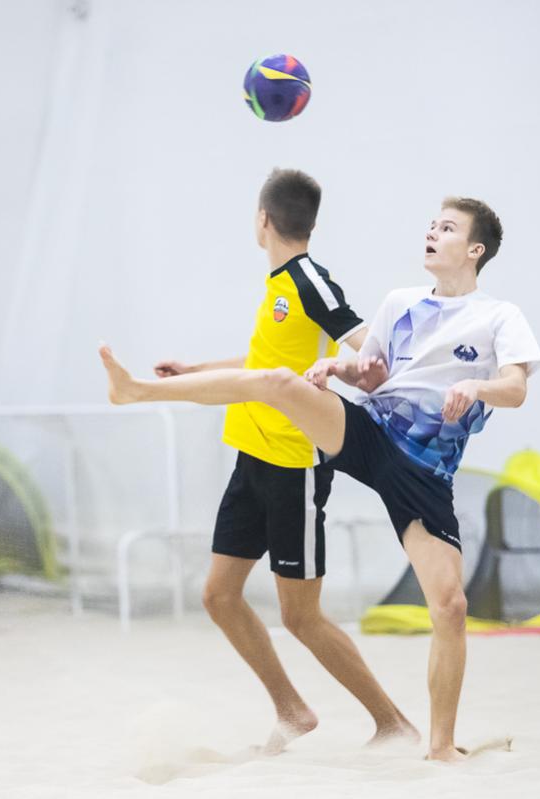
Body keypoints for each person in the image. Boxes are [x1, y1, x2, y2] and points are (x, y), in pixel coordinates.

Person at [100, 196, 540, 762]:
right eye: (432, 224)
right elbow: (372, 372)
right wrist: (339, 367)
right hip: (370, 432)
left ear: (475, 249)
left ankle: (438, 749)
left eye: (448, 228)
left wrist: (476, 386)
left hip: (423, 471)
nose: (432, 233)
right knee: (279, 383)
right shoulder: (401, 302)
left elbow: (516, 388)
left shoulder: (499, 316)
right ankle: (138, 391)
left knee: (450, 606)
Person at [153, 168, 416, 754]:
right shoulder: (278, 286)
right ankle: (292, 710)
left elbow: (366, 343)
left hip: (295, 468)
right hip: (251, 457)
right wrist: (195, 369)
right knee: (219, 596)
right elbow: (261, 364)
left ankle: (393, 723)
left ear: (262, 220)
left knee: (300, 616)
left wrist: (367, 371)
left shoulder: (310, 279)